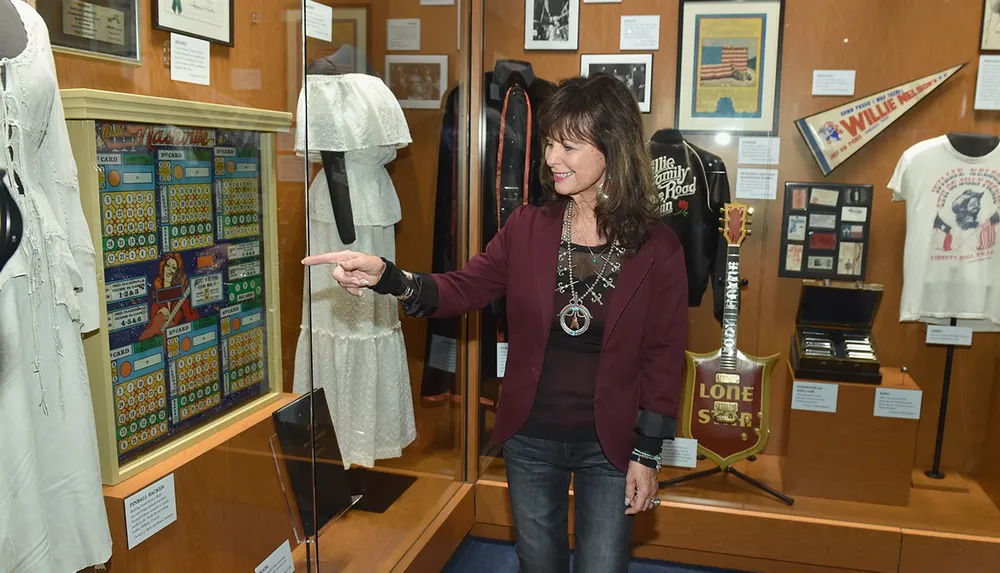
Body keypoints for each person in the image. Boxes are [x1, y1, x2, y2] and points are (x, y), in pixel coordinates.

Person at [303, 73, 688, 573]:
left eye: (568, 145)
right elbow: (464, 287)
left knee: (603, 566)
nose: (551, 158)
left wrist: (648, 453)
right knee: (538, 563)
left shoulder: (659, 248)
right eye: (549, 143)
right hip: (530, 436)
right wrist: (392, 278)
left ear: (611, 148)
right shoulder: (528, 227)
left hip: (612, 445)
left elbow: (663, 355)